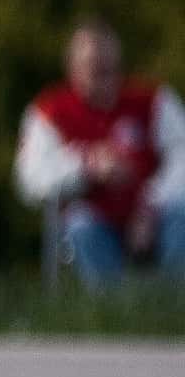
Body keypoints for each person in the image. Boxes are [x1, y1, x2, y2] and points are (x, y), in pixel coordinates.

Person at [17, 19, 185, 283]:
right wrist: (86, 168)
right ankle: (111, 311)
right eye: (96, 70)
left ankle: (173, 305)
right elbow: (30, 181)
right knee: (80, 225)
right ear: (73, 68)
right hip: (94, 220)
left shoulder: (153, 101)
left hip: (151, 216)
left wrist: (151, 206)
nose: (106, 79)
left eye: (111, 69)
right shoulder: (49, 112)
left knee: (181, 212)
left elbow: (181, 158)